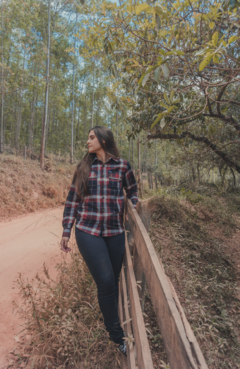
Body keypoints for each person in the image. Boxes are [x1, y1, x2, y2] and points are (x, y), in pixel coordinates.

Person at [60, 125, 139, 357]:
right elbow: (72, 199)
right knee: (105, 281)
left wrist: (132, 206)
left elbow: (133, 190)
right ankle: (117, 335)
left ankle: (111, 317)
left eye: (92, 137)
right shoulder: (84, 167)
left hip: (115, 231)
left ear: (104, 140)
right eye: (88, 138)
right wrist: (67, 229)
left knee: (112, 281)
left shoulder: (123, 165)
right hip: (88, 230)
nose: (88, 141)